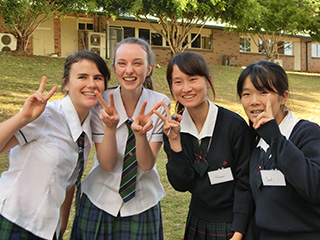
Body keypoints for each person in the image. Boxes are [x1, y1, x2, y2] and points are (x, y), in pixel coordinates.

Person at [0, 50, 110, 240]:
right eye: (82, 77)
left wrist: (60, 227)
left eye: (98, 78)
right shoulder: (45, 114)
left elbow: (68, 181)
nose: (91, 84)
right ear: (66, 83)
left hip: (47, 230)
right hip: (13, 222)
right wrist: (22, 118)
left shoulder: (89, 126)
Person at [70, 37, 170, 239]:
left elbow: (146, 164)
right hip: (100, 199)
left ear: (149, 68)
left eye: (137, 63)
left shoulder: (160, 103)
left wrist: (140, 135)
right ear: (114, 68)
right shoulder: (101, 101)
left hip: (143, 202)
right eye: (122, 63)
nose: (129, 70)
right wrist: (109, 127)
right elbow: (106, 164)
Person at [154, 51, 254, 240]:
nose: (186, 88)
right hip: (197, 222)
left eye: (193, 79)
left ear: (207, 81)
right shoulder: (173, 128)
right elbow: (181, 184)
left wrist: (239, 232)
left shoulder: (234, 126)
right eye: (178, 82)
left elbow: (245, 182)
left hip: (233, 224)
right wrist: (174, 141)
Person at [237, 60, 320, 240]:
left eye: (263, 92)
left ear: (283, 97)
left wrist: (275, 137)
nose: (253, 101)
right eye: (246, 94)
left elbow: (314, 187)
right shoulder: (256, 141)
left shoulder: (307, 133)